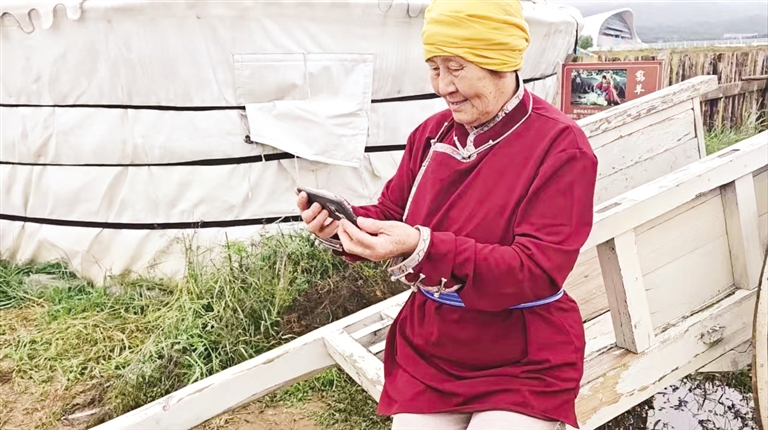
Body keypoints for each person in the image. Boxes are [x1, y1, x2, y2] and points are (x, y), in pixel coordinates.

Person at [296, 0, 598, 428]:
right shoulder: (430, 134)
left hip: (524, 354)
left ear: (501, 62)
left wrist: (422, 245)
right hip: (433, 349)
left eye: (456, 68)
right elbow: (392, 212)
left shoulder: (560, 147)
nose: (442, 86)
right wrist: (342, 225)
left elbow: (534, 270)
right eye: (434, 68)